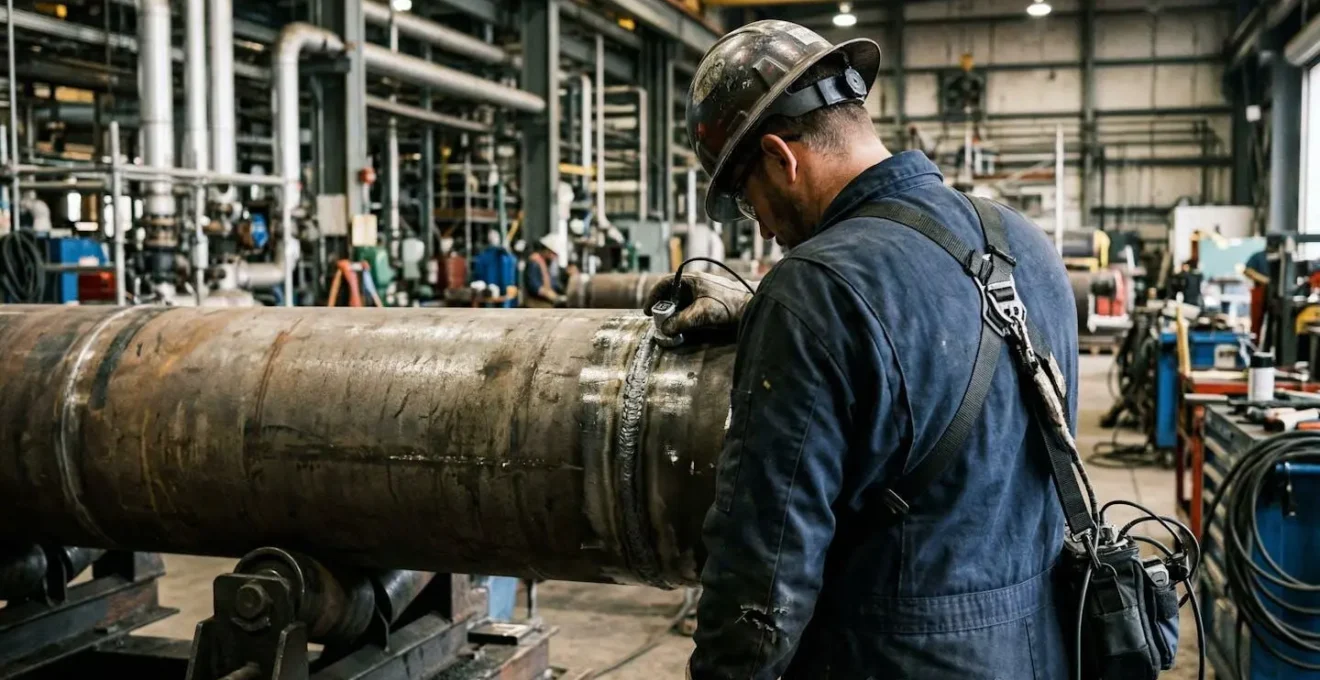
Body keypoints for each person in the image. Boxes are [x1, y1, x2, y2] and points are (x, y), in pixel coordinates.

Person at [647, 21, 1078, 679]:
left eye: (746, 198)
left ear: (779, 156)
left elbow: (761, 578)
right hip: (1042, 652)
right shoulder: (1026, 245)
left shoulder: (811, 292)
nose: (759, 225)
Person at [524, 233, 567, 308]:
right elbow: (533, 285)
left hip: (544, 302)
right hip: (535, 303)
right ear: (547, 250)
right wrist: (548, 294)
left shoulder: (545, 263)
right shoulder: (534, 262)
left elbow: (553, 282)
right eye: (553, 254)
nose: (554, 257)